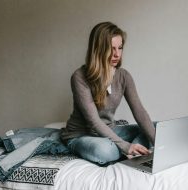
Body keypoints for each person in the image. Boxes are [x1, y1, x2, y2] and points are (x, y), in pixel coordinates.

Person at [60, 22, 155, 166]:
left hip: (111, 131)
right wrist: (125, 146)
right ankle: (131, 151)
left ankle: (136, 152)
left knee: (157, 127)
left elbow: (139, 112)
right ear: (98, 49)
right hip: (82, 135)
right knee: (104, 151)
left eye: (120, 48)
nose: (117, 54)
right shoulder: (79, 77)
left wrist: (157, 143)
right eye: (111, 49)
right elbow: (94, 121)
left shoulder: (123, 76)